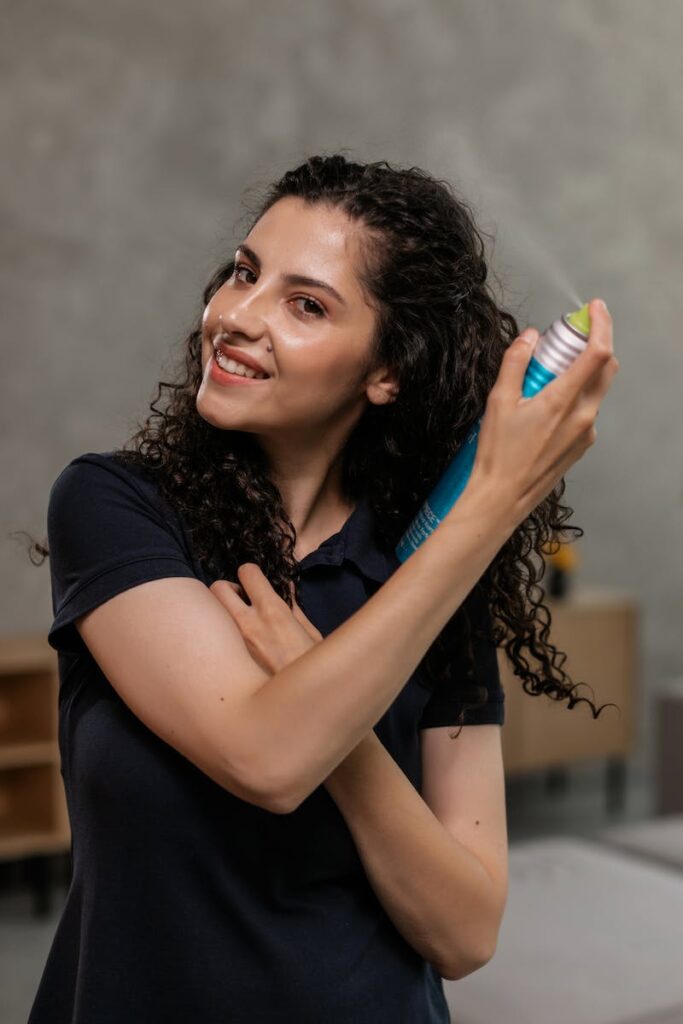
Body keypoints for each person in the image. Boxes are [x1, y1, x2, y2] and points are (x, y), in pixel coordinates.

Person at [29, 154, 618, 1023]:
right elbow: (263, 757)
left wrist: (335, 705)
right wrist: (485, 511)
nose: (236, 316)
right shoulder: (120, 508)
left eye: (305, 304)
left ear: (386, 372)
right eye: (244, 273)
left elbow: (463, 934)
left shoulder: (424, 575)